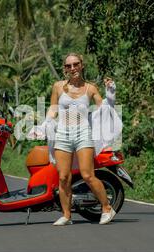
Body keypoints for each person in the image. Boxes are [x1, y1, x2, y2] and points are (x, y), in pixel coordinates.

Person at [44, 53, 117, 226]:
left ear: (81, 65)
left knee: (87, 175)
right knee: (63, 177)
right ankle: (67, 215)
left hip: (83, 133)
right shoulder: (58, 87)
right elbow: (53, 109)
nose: (72, 68)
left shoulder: (90, 88)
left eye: (75, 64)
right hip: (62, 134)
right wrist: (45, 124)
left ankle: (107, 208)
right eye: (68, 66)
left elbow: (104, 109)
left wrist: (111, 94)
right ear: (64, 69)